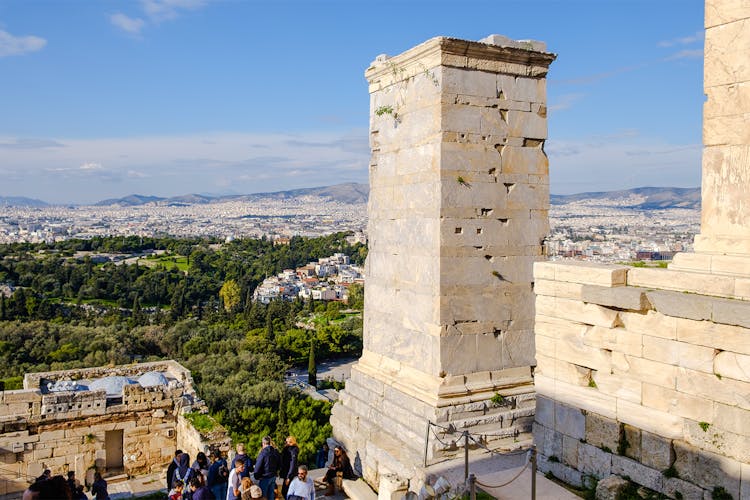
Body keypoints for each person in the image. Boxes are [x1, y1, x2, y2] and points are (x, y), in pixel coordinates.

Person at [253, 436, 280, 500]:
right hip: (273, 476)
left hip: (265, 477)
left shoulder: (263, 453)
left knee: (263, 496)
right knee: (271, 495)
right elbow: (279, 463)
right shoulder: (275, 452)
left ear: (263, 443)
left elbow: (258, 466)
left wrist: (256, 476)